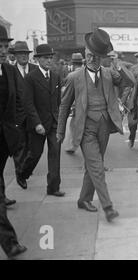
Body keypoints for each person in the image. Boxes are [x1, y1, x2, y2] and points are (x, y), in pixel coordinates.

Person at [57, 28, 135, 222]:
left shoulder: (109, 73)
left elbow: (131, 82)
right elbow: (64, 106)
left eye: (96, 56)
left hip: (104, 127)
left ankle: (83, 199)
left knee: (92, 167)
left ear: (102, 57)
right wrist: (60, 132)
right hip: (84, 128)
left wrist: (117, 63)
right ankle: (108, 207)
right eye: (89, 55)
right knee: (97, 166)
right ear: (85, 53)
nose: (92, 59)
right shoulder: (74, 77)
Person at [19, 44, 65, 196]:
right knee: (35, 154)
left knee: (55, 153)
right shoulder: (30, 78)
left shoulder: (55, 76)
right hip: (37, 124)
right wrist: (37, 123)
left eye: (51, 58)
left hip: (53, 123)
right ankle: (22, 173)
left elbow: (58, 101)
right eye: (45, 58)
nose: (49, 60)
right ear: (38, 59)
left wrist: (58, 120)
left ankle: (53, 187)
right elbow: (28, 103)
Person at [0, 26, 28, 258]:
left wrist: (16, 127)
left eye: (4, 46)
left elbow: (18, 100)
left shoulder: (8, 71)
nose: (2, 50)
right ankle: (9, 243)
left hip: (5, 139)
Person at [11, 41, 38, 191]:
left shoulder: (35, 69)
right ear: (15, 56)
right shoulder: (10, 70)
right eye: (20, 54)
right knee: (20, 145)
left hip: (34, 115)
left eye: (25, 54)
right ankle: (20, 173)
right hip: (17, 116)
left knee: (33, 146)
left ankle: (26, 168)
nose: (23, 56)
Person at [64, 53, 84, 154]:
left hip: (77, 105)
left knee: (73, 126)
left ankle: (73, 145)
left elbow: (67, 94)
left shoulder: (71, 76)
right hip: (89, 105)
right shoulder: (88, 73)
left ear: (72, 64)